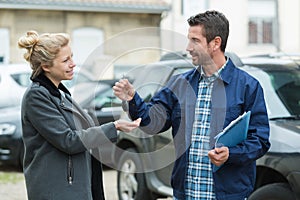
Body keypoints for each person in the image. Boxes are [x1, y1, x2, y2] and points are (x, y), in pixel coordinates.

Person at [113, 10, 270, 200]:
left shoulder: (248, 87)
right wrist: (132, 99)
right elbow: (152, 122)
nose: (188, 47)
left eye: (195, 41)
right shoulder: (180, 84)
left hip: (228, 195)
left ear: (215, 43)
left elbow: (260, 140)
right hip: (186, 193)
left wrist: (231, 153)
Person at [18, 30, 141, 200]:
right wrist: (115, 126)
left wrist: (126, 108)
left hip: (73, 188)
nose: (73, 64)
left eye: (72, 57)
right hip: (57, 191)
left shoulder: (60, 93)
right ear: (46, 66)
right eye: (65, 60)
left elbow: (85, 130)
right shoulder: (37, 96)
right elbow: (69, 140)